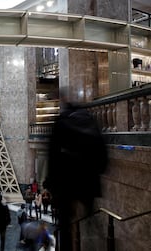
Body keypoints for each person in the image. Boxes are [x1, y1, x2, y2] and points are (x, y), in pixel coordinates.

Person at [44, 88, 108, 251]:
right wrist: (99, 171)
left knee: (65, 224)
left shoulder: (61, 121)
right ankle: (97, 243)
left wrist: (51, 183)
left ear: (61, 100)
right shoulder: (88, 118)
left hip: (66, 183)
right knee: (91, 219)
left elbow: (52, 155)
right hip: (89, 180)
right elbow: (101, 150)